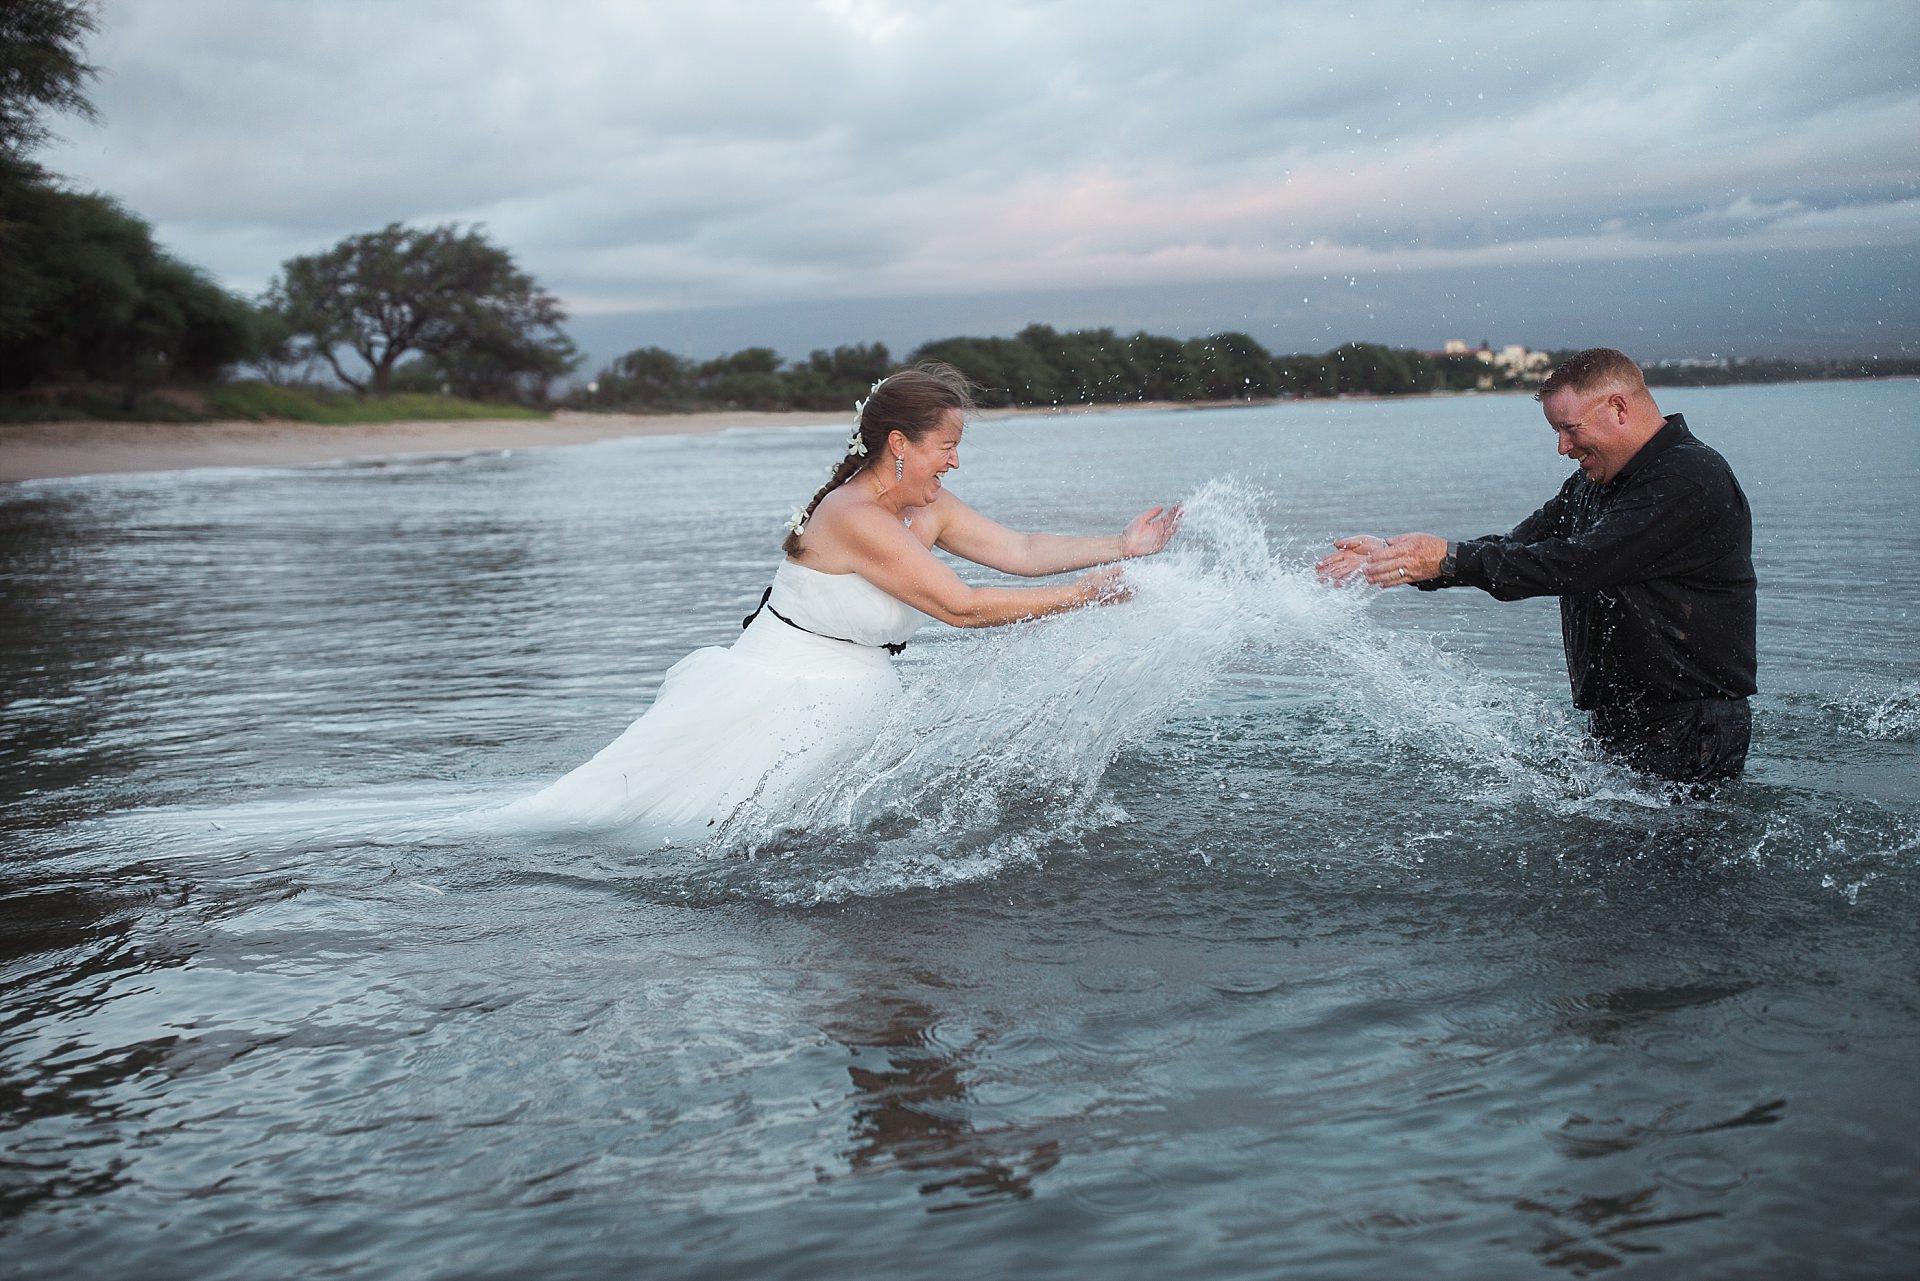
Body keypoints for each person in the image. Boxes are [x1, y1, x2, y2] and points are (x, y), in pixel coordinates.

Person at [510, 362, 1182, 841]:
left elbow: (1022, 549)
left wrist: (1121, 544)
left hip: (842, 706)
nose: (953, 463)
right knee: (660, 832)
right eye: (946, 447)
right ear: (900, 444)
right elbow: (963, 608)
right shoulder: (854, 515)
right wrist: (1087, 596)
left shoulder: (928, 506)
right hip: (776, 705)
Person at [1315, 347, 1757, 784]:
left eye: (1569, 429)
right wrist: (1400, 557)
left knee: (1673, 852)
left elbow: (1578, 563)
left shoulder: (1688, 477)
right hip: (1620, 719)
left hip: (1691, 722)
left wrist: (1445, 558)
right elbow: (1519, 547)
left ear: (1618, 408)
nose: (1562, 447)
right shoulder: (1595, 483)